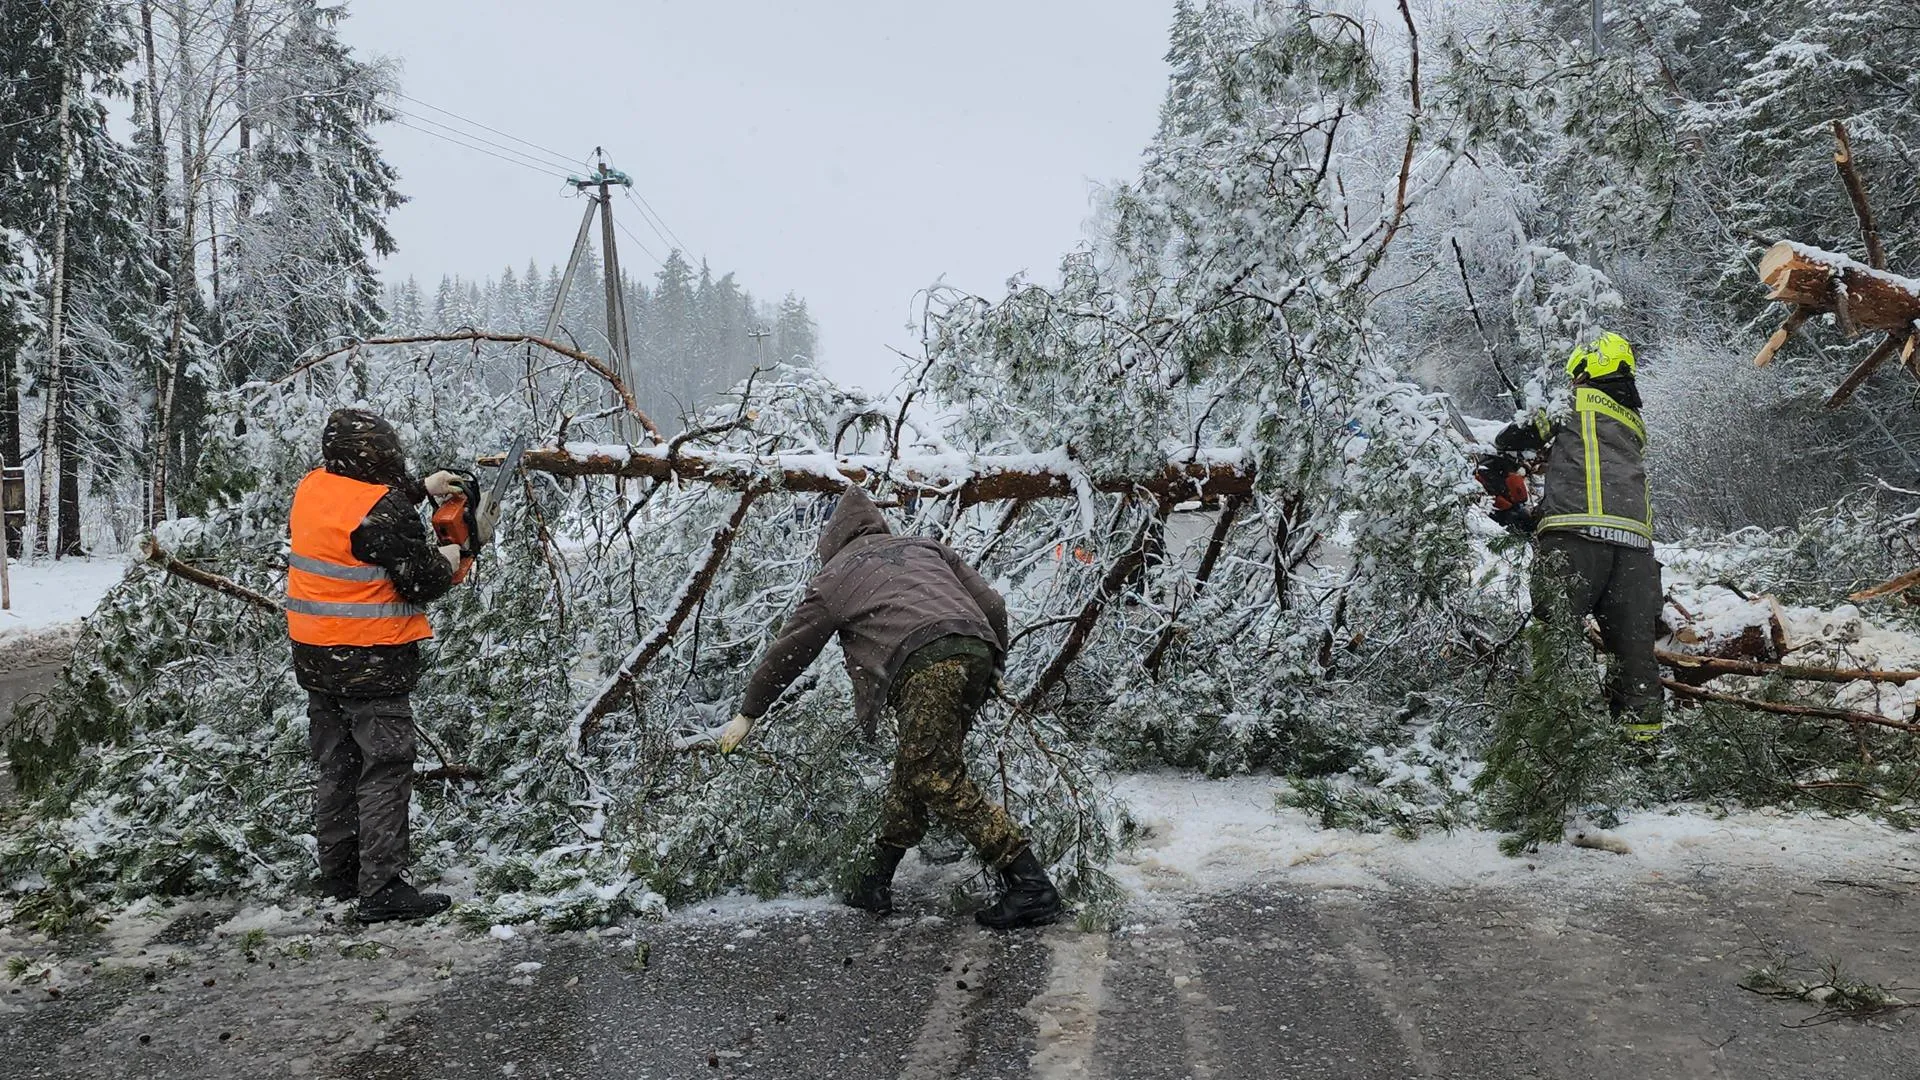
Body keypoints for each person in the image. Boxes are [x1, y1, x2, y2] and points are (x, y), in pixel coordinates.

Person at [718, 484, 1063, 929]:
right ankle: (875, 881)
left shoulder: (835, 576)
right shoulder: (925, 547)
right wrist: (992, 662)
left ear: (832, 539)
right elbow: (993, 603)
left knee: (932, 774)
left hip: (923, 662)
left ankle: (1030, 884)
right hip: (974, 648)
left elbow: (790, 650)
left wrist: (749, 712)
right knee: (915, 769)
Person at [287, 409, 491, 922]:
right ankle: (381, 889)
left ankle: (338, 872)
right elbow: (422, 580)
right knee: (385, 767)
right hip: (371, 657)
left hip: (314, 653)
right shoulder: (385, 512)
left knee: (337, 765)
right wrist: (461, 548)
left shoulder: (313, 486)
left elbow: (363, 511)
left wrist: (422, 488)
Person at [1484, 331, 1663, 742]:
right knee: (1635, 658)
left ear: (1585, 368)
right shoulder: (1633, 423)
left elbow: (1510, 439)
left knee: (1556, 641)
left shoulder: (1572, 403)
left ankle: (1555, 744)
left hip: (1575, 539)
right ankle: (1640, 750)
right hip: (1636, 549)